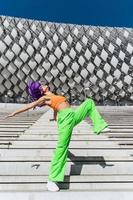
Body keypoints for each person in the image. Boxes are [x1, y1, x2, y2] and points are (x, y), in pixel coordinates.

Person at [5, 81, 110, 192]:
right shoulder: (44, 98)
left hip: (72, 115)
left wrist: (54, 117)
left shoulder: (53, 96)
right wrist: (14, 113)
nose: (44, 84)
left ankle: (100, 126)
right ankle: (52, 180)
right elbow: (30, 105)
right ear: (41, 90)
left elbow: (55, 108)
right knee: (62, 149)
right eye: (41, 85)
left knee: (89, 102)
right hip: (65, 119)